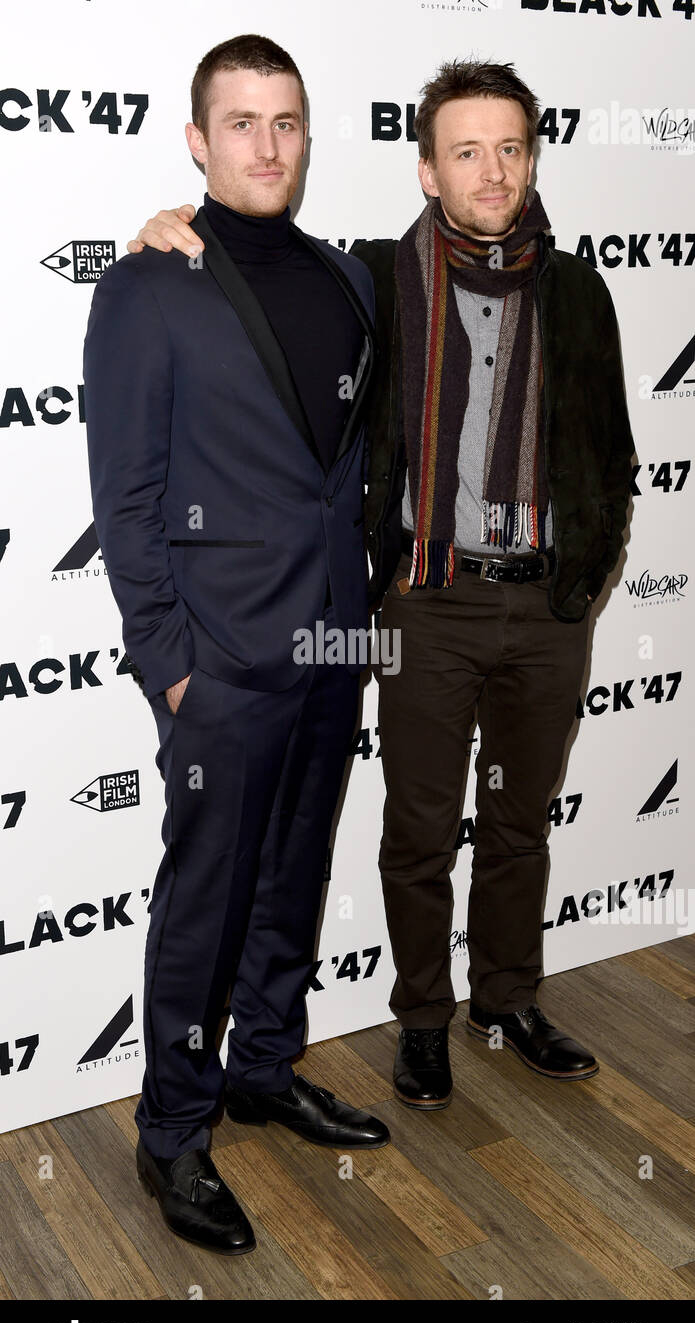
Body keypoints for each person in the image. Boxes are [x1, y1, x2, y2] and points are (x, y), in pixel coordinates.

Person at [124, 59, 634, 1114]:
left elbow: (613, 454)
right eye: (464, 150)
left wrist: (581, 582)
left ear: (530, 159)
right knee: (415, 828)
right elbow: (242, 261)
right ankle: (421, 1021)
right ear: (423, 168)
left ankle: (506, 998)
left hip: (542, 608)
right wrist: (162, 225)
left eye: (509, 149)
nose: (490, 172)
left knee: (517, 823)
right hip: (422, 603)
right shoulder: (373, 283)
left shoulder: (579, 291)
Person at [83, 33, 389, 1260]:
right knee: (203, 899)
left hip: (330, 640)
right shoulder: (147, 285)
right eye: (242, 122)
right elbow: (128, 501)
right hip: (218, 665)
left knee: (294, 876)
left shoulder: (350, 280)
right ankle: (171, 1128)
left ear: (308, 136)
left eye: (289, 121)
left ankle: (264, 1066)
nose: (268, 145)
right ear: (199, 141)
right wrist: (171, 665)